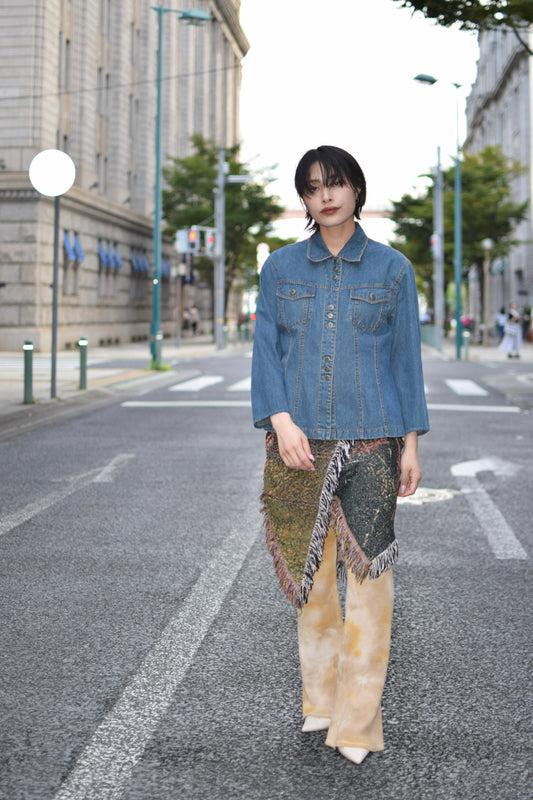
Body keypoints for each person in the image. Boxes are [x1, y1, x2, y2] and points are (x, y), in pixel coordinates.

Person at [251, 146, 429, 765]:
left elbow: (406, 360)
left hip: (376, 441)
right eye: (313, 188)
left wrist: (410, 443)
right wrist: (281, 421)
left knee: (370, 581)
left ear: (355, 189)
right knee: (314, 584)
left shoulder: (391, 270)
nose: (326, 196)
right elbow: (266, 353)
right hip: (300, 442)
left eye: (337, 184)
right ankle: (319, 702)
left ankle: (356, 723)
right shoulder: (278, 269)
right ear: (304, 199)